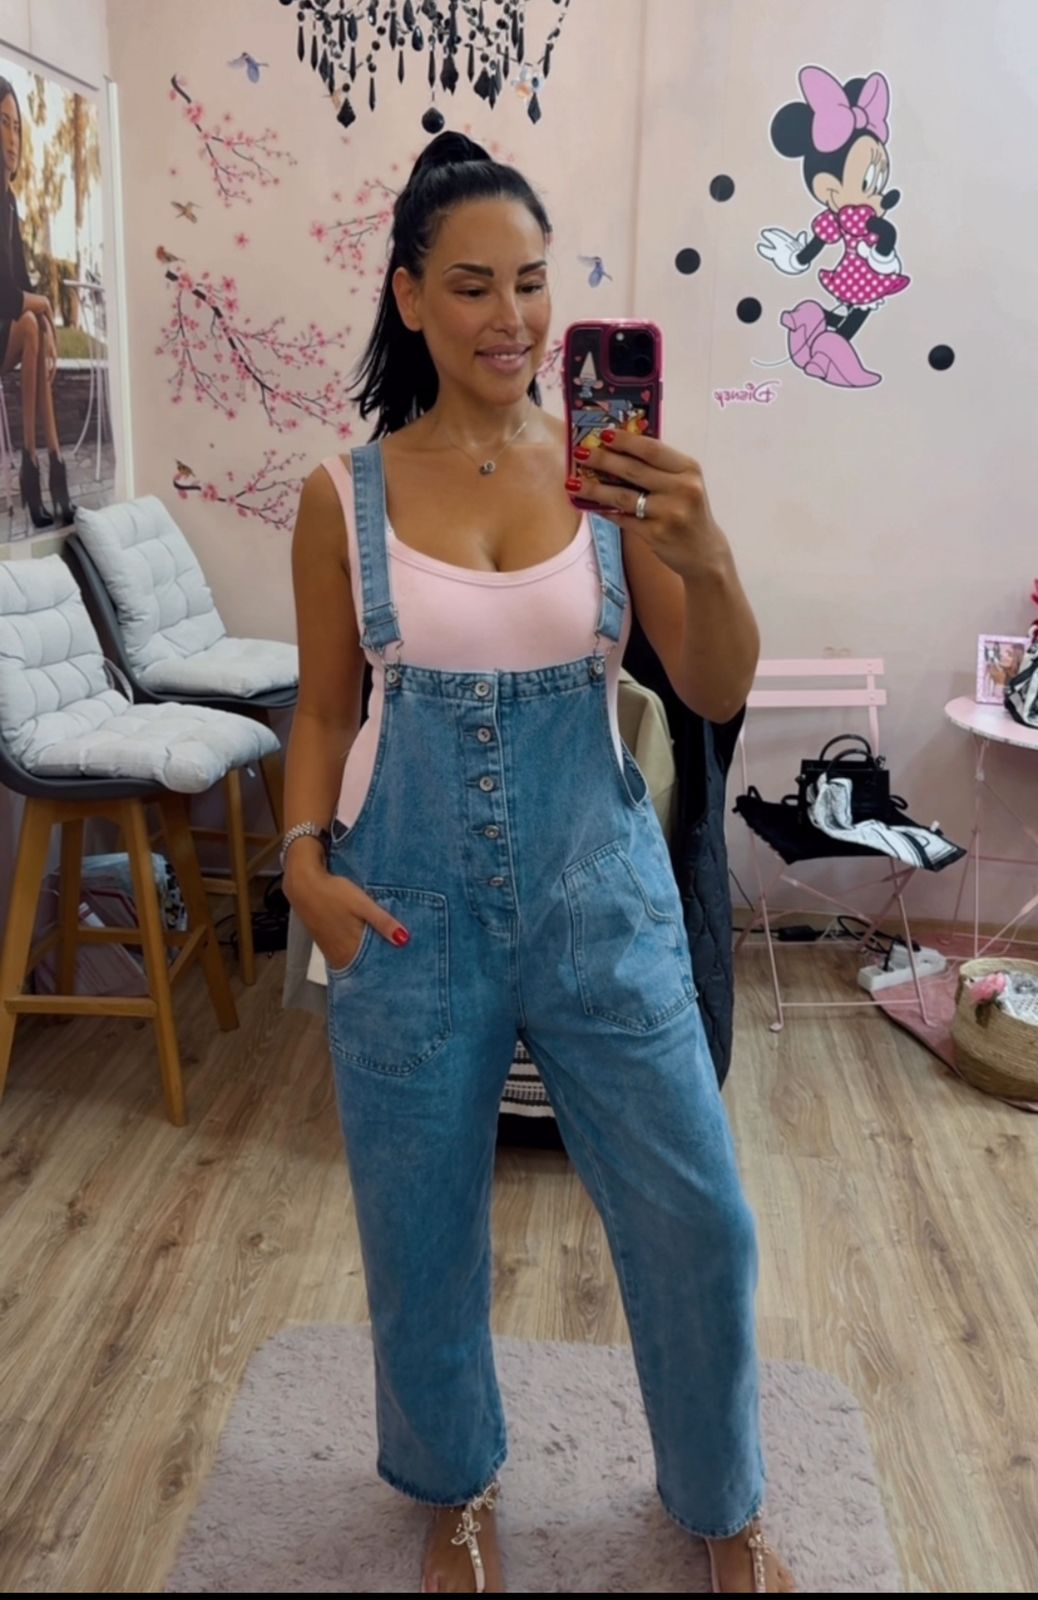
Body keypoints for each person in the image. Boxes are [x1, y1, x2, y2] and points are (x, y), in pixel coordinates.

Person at [283, 131, 795, 1595]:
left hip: (600, 903)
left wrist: (704, 551)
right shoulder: (343, 496)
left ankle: (722, 1504)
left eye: (530, 281)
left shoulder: (611, 485)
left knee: (699, 1219)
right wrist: (302, 866)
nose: (510, 318)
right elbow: (323, 709)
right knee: (420, 1235)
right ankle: (453, 1493)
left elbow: (712, 689)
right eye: (471, 286)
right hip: (404, 917)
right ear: (408, 297)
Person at [0, 76, 75, 528]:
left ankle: (52, 465)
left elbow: (22, 283)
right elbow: (5, 294)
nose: (12, 137)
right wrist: (42, 308)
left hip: (5, 334)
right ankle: (37, 468)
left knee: (35, 326)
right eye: (2, 123)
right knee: (30, 321)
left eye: (17, 126)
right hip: (4, 327)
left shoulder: (9, 202)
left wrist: (45, 319)